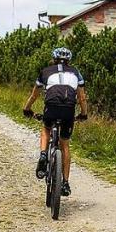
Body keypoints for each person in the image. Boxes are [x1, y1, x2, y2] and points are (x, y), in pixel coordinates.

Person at [22, 46, 88, 197]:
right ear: (69, 61)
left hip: (51, 108)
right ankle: (65, 183)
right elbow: (82, 98)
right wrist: (84, 114)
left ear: (54, 59)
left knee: (46, 128)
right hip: (68, 110)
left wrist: (27, 109)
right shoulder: (76, 73)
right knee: (64, 144)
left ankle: (44, 154)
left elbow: (34, 96)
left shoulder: (45, 71)